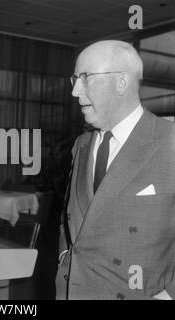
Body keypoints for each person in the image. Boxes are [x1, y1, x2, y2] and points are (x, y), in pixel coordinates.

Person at [56, 40, 175, 300]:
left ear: (122, 82)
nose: (75, 91)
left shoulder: (169, 141)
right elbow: (73, 218)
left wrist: (169, 294)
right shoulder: (82, 144)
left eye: (86, 78)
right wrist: (64, 257)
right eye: (75, 79)